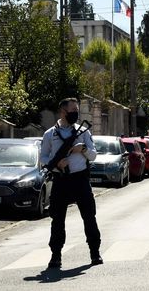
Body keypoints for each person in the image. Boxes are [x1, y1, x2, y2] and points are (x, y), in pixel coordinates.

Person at [40, 97, 102, 269]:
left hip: (80, 179)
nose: (76, 113)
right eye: (72, 110)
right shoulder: (50, 134)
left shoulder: (83, 132)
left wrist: (82, 149)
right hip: (61, 180)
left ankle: (95, 253)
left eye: (77, 110)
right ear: (63, 112)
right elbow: (43, 158)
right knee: (57, 219)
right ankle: (56, 256)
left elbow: (93, 155)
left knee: (89, 216)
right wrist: (57, 163)